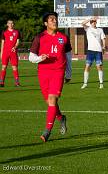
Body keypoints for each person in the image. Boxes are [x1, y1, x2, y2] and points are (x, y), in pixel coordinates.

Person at [29, 12, 72, 142]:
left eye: (55, 19)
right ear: (46, 23)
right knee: (49, 102)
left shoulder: (64, 38)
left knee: (52, 99)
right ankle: (61, 118)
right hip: (43, 72)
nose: (55, 21)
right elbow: (31, 57)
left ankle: (47, 130)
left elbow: (68, 56)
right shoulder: (39, 37)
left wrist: (68, 73)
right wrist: (39, 58)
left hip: (58, 72)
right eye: (51, 19)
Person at [81, 17, 106, 89]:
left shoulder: (100, 30)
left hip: (98, 51)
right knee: (87, 66)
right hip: (90, 51)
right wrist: (90, 18)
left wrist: (104, 45)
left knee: (99, 67)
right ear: (90, 23)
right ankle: (85, 83)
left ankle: (101, 83)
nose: (93, 23)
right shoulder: (88, 29)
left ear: (96, 22)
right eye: (92, 22)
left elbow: (103, 38)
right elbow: (82, 23)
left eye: (94, 21)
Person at [0, 20, 21, 87]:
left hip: (13, 52)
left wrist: (15, 47)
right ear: (7, 24)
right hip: (5, 52)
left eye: (12, 23)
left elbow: (18, 42)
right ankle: (1, 82)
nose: (11, 24)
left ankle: (17, 82)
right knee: (4, 67)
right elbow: (2, 43)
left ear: (13, 24)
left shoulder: (17, 32)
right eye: (9, 23)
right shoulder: (4, 32)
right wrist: (1, 53)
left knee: (15, 67)